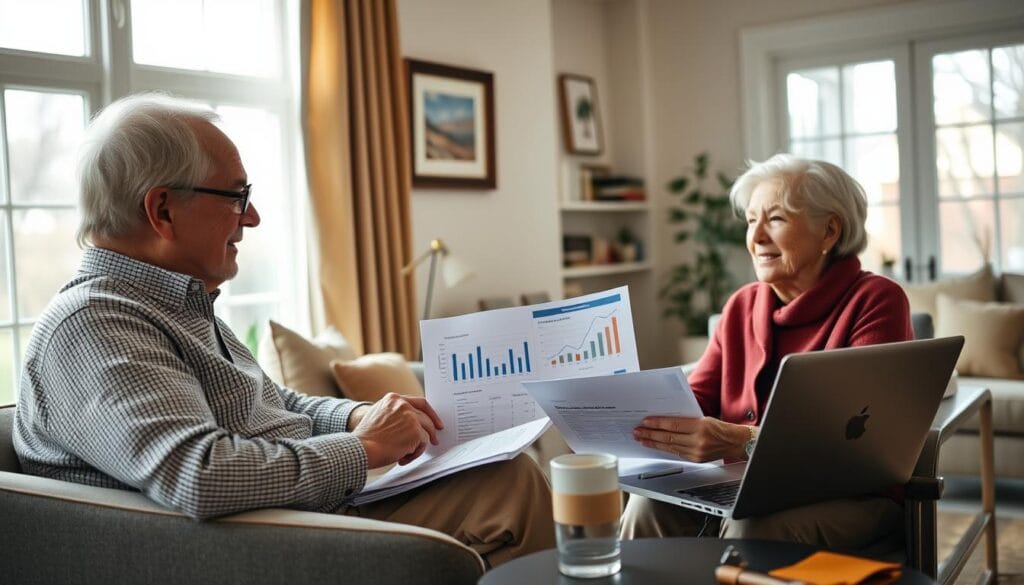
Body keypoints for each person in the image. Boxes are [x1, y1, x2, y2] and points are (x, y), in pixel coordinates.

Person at [12, 93, 553, 568]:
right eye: (236, 197)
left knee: (508, 474)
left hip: (293, 514)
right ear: (163, 210)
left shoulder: (174, 305)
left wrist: (356, 416)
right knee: (510, 489)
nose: (252, 218)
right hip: (253, 547)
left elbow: (275, 405)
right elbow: (201, 474)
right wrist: (365, 447)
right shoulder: (94, 324)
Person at [621, 154, 913, 548]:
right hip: (738, 485)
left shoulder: (876, 300)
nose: (756, 237)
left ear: (829, 231)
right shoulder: (741, 305)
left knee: (752, 527)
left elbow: (858, 444)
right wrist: (626, 414)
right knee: (647, 508)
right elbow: (697, 399)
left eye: (775, 219)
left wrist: (743, 440)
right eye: (751, 220)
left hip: (846, 495)